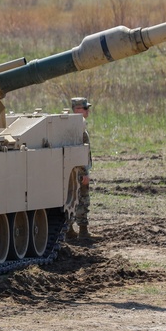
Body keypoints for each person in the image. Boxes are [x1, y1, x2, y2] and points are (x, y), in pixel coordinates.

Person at [67, 97, 92, 242]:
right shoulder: (76, 127)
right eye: (85, 108)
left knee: (73, 199)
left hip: (74, 171)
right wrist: (84, 172)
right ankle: (82, 232)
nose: (88, 111)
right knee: (81, 199)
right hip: (78, 172)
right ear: (77, 110)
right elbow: (78, 152)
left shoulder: (74, 125)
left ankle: (70, 231)